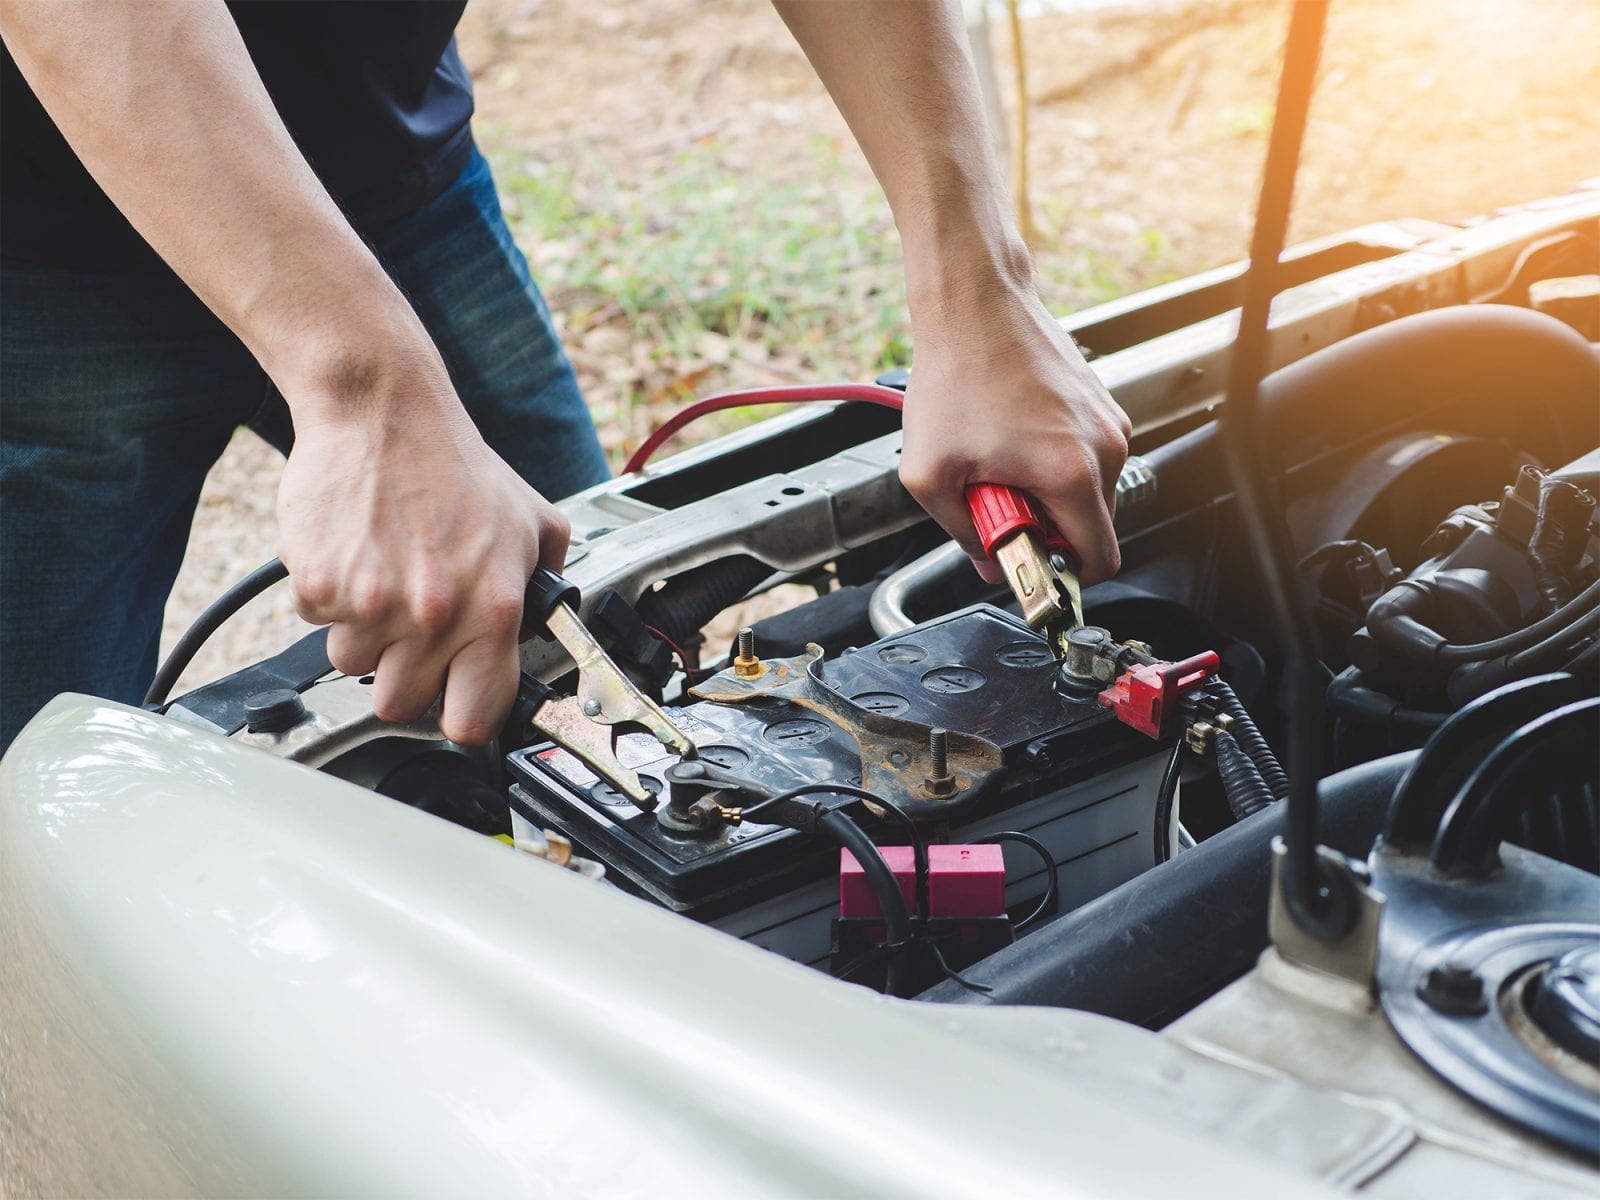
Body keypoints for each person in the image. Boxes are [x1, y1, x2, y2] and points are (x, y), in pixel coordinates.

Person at [0, 0, 1130, 752]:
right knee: (33, 795)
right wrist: (364, 383)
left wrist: (980, 287)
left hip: (399, 173)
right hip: (39, 255)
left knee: (595, 643)